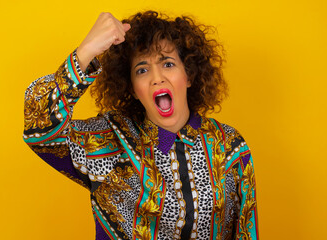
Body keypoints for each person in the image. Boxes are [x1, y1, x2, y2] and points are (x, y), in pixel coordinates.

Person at [23, 11, 258, 240]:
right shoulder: (109, 140)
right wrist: (86, 51)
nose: (157, 77)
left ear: (188, 76)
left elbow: (246, 231)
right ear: (133, 89)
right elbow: (39, 127)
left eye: (167, 64)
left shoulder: (229, 147)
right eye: (142, 70)